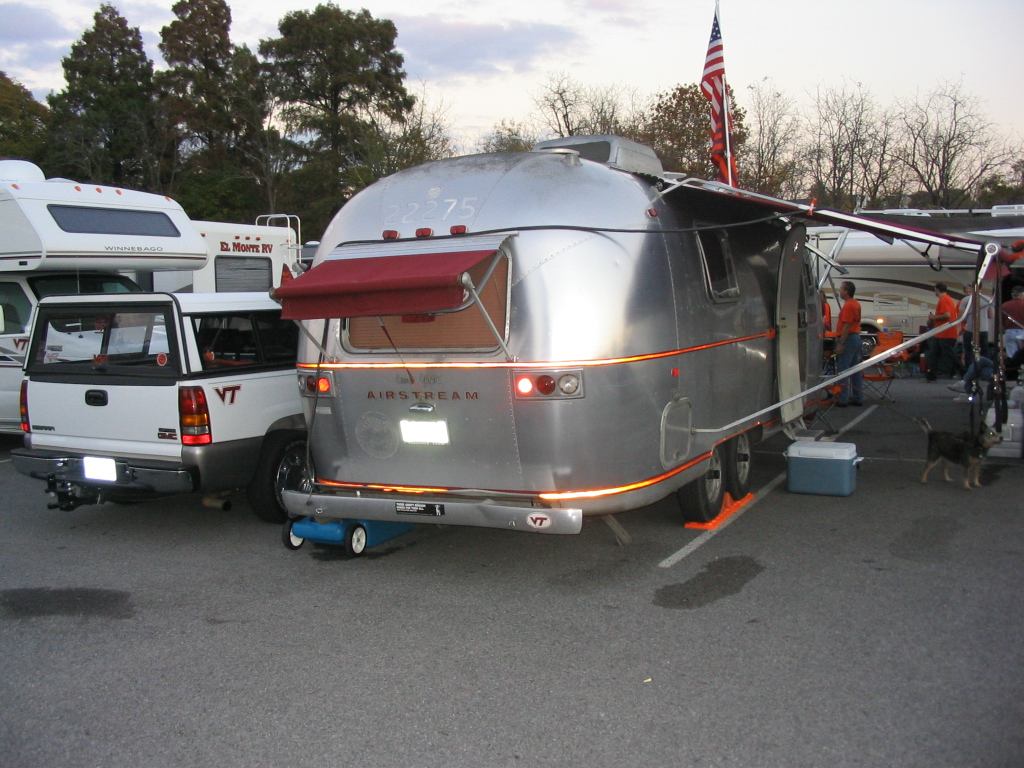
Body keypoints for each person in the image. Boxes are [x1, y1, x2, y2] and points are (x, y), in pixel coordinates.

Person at [925, 282, 963, 382]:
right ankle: (932, 375)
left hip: (945, 332)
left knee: (947, 354)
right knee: (935, 354)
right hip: (942, 332)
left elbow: (946, 315)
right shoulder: (947, 299)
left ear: (937, 290)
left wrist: (933, 317)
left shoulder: (944, 300)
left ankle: (963, 371)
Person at [834, 280, 863, 406]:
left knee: (843, 369)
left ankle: (842, 399)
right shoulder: (856, 304)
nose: (839, 291)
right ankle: (858, 397)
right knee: (855, 370)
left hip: (848, 339)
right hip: (856, 337)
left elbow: (847, 325)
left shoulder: (848, 306)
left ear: (846, 291)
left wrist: (841, 342)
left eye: (841, 288)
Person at [958, 283, 991, 368]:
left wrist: (967, 318)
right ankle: (985, 369)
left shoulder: (966, 299)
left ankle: (969, 369)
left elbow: (960, 316)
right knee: (984, 351)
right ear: (981, 288)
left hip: (970, 329)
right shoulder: (988, 299)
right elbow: (991, 315)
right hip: (983, 329)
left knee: (968, 351)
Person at [1001, 285, 1024, 359]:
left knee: (1012, 356)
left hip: (1009, 332)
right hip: (1022, 331)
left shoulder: (1004, 305)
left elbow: (1001, 322)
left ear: (1012, 295)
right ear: (1022, 294)